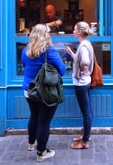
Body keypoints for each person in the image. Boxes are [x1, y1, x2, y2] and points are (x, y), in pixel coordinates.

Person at [21, 24, 66, 162]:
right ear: (46, 35)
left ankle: (31, 143)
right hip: (45, 91)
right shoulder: (49, 51)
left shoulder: (25, 50)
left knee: (34, 116)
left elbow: (24, 65)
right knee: (44, 122)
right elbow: (62, 70)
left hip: (29, 90)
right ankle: (41, 153)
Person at [65, 21, 94, 149]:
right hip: (86, 82)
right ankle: (86, 134)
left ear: (80, 32)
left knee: (86, 111)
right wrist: (72, 54)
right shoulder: (86, 43)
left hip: (81, 83)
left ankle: (85, 141)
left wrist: (83, 71)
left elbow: (86, 62)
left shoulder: (83, 46)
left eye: (75, 29)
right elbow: (82, 58)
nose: (73, 31)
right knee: (87, 110)